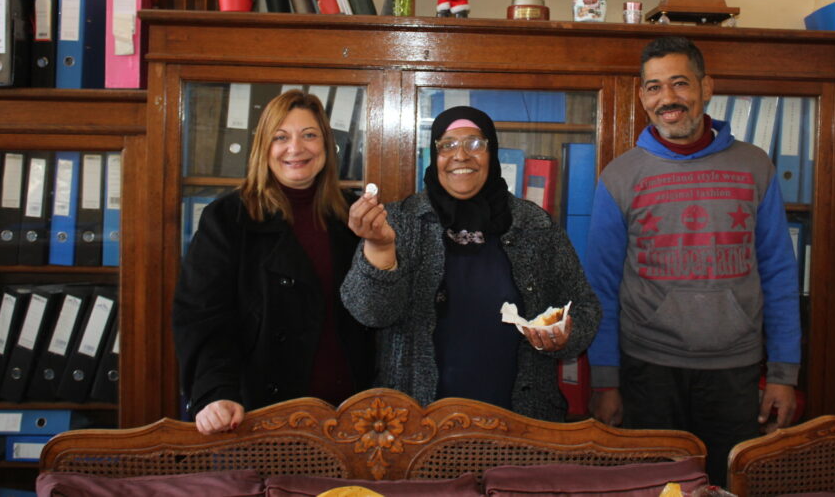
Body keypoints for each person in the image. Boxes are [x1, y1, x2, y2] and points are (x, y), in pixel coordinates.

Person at [584, 36, 801, 486]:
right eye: (654, 87)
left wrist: (784, 374)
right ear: (642, 96)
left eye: (680, 83)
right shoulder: (619, 177)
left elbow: (779, 272)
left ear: (706, 87)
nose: (668, 98)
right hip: (648, 372)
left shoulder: (755, 167)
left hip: (735, 372)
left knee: (726, 487)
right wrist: (605, 382)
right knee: (653, 490)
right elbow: (600, 287)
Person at [341, 106, 601, 421]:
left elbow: (585, 308)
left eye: (475, 143)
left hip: (522, 422)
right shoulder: (399, 221)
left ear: (492, 152)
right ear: (434, 155)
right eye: (447, 145)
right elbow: (370, 314)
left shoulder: (534, 224)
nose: (461, 155)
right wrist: (380, 247)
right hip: (416, 424)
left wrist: (565, 335)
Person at [173, 89, 374, 435]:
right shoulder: (228, 218)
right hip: (261, 415)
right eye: (281, 137)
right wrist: (216, 392)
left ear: (327, 145)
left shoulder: (351, 215)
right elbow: (203, 317)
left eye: (309, 135)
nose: (295, 148)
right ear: (263, 147)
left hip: (350, 415)